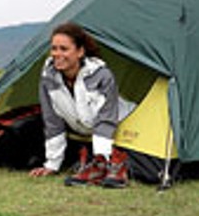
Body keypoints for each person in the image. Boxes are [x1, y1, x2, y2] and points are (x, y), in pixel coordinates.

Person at [27, 22, 131, 188]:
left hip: (123, 123)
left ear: (80, 52)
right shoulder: (48, 79)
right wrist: (52, 165)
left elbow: (106, 120)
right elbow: (52, 121)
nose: (57, 54)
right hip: (86, 132)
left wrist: (100, 158)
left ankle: (106, 164)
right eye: (54, 48)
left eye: (64, 49)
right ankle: (98, 163)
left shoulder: (102, 75)